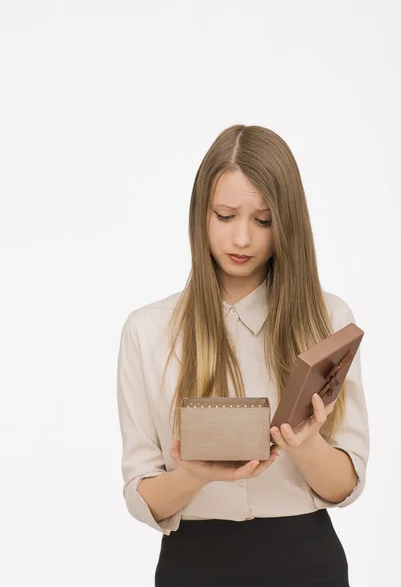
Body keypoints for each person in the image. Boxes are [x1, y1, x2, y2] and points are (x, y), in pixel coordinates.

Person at [116, 124, 369, 587]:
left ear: (286, 222)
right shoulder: (147, 330)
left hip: (307, 562)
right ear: (201, 214)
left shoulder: (327, 319)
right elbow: (142, 496)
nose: (242, 240)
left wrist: (306, 442)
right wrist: (193, 474)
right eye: (226, 215)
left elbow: (345, 487)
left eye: (264, 220)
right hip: (192, 565)